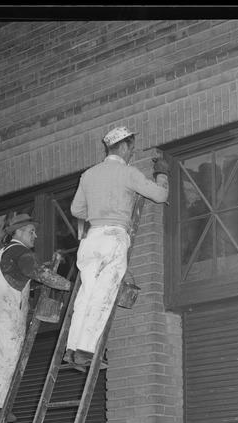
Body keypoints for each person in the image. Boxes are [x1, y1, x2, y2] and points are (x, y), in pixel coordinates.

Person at [63, 125, 170, 370]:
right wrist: (162, 174)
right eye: (131, 148)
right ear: (123, 146)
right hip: (114, 237)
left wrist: (99, 208)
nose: (131, 154)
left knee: (86, 294)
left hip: (91, 240)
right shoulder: (127, 173)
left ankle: (71, 348)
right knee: (104, 295)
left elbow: (77, 210)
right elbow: (160, 196)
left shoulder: (89, 175)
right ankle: (85, 351)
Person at [0, 212, 72, 422]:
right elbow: (40, 274)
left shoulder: (3, 252)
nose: (35, 235)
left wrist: (39, 278)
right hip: (6, 312)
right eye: (31, 231)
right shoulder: (20, 251)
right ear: (19, 232)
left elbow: (20, 279)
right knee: (10, 356)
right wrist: (67, 284)